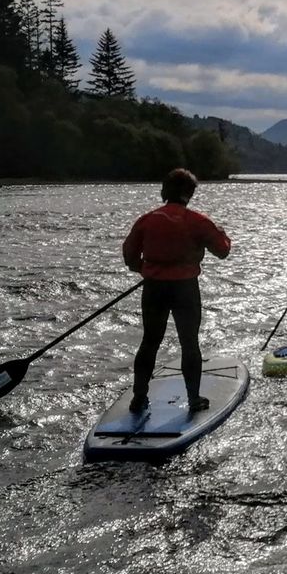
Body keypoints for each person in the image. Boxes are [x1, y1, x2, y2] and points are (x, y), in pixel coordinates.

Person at [123, 168, 231, 413]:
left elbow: (129, 256)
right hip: (185, 289)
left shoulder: (147, 220)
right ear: (189, 193)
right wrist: (221, 231)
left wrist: (146, 270)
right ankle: (194, 398)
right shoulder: (199, 221)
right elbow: (223, 251)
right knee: (189, 342)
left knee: (150, 341)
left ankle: (139, 396)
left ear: (165, 191)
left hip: (154, 288)